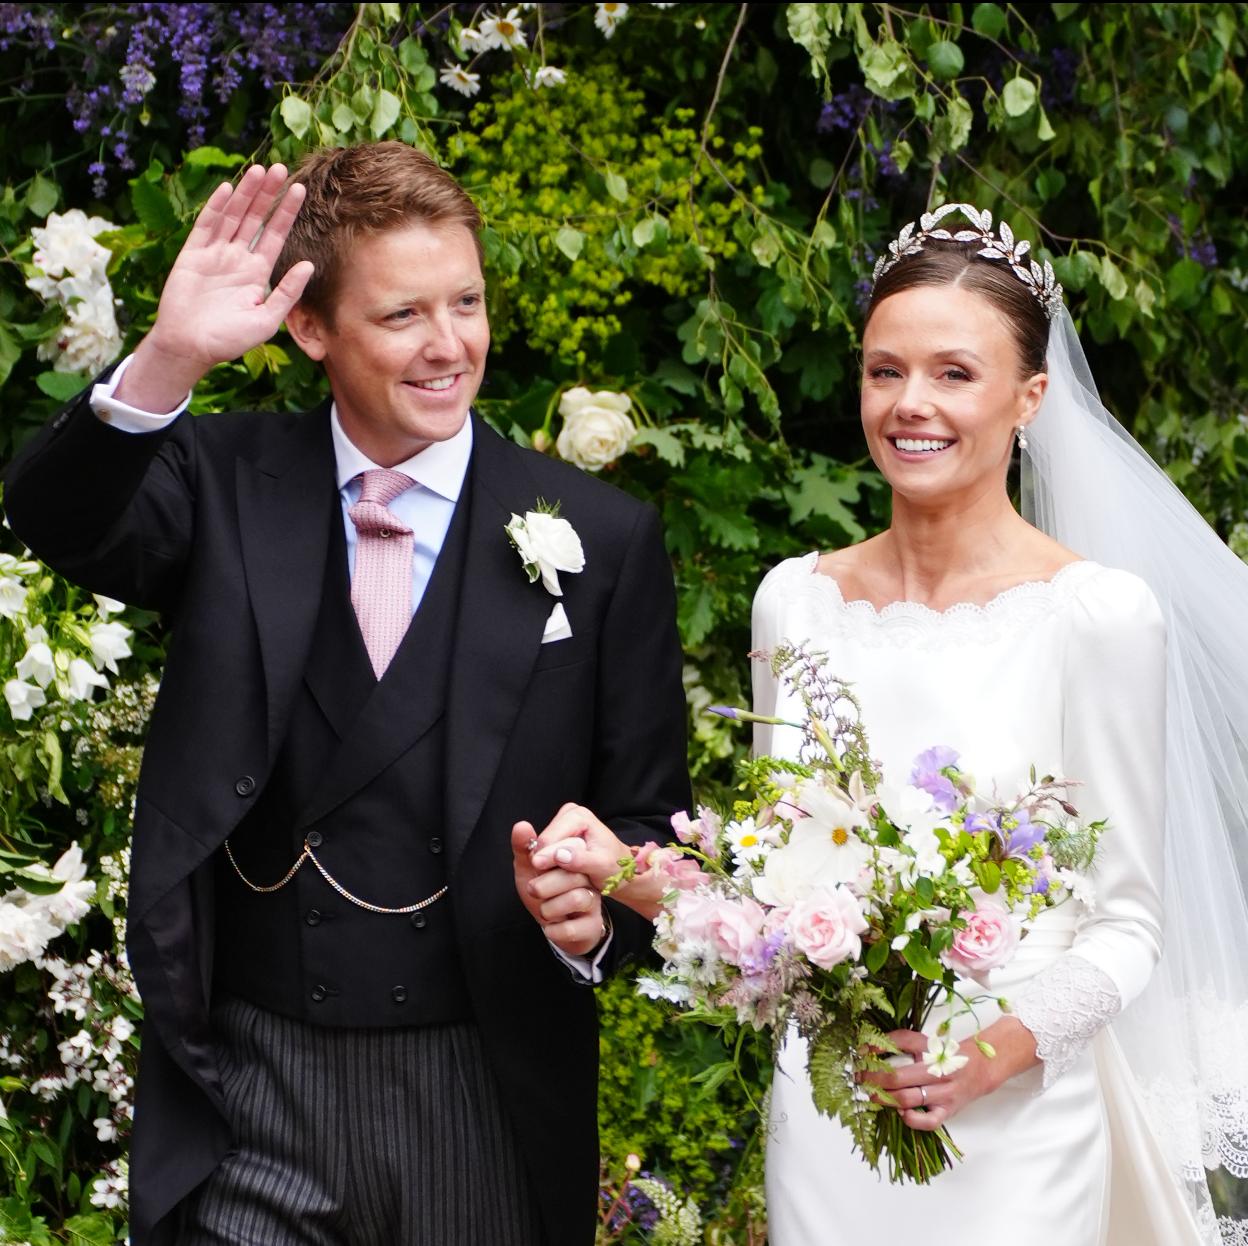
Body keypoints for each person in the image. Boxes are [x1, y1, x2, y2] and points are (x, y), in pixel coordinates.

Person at [2, 142, 690, 1245]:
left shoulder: (601, 540)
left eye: (465, 301)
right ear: (312, 329)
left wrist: (590, 922)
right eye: (402, 314)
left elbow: (652, 824)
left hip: (485, 1089)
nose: (448, 344)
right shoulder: (221, 480)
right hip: (255, 1089)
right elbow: (57, 516)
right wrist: (168, 360)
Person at [531, 204, 1248, 1244]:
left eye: (955, 372)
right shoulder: (795, 600)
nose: (911, 404)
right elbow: (772, 893)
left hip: (1018, 1132)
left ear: (1031, 398)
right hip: (833, 1120)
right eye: (884, 370)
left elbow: (1129, 925)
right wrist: (633, 870)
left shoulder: (1096, 616)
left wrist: (994, 1052)